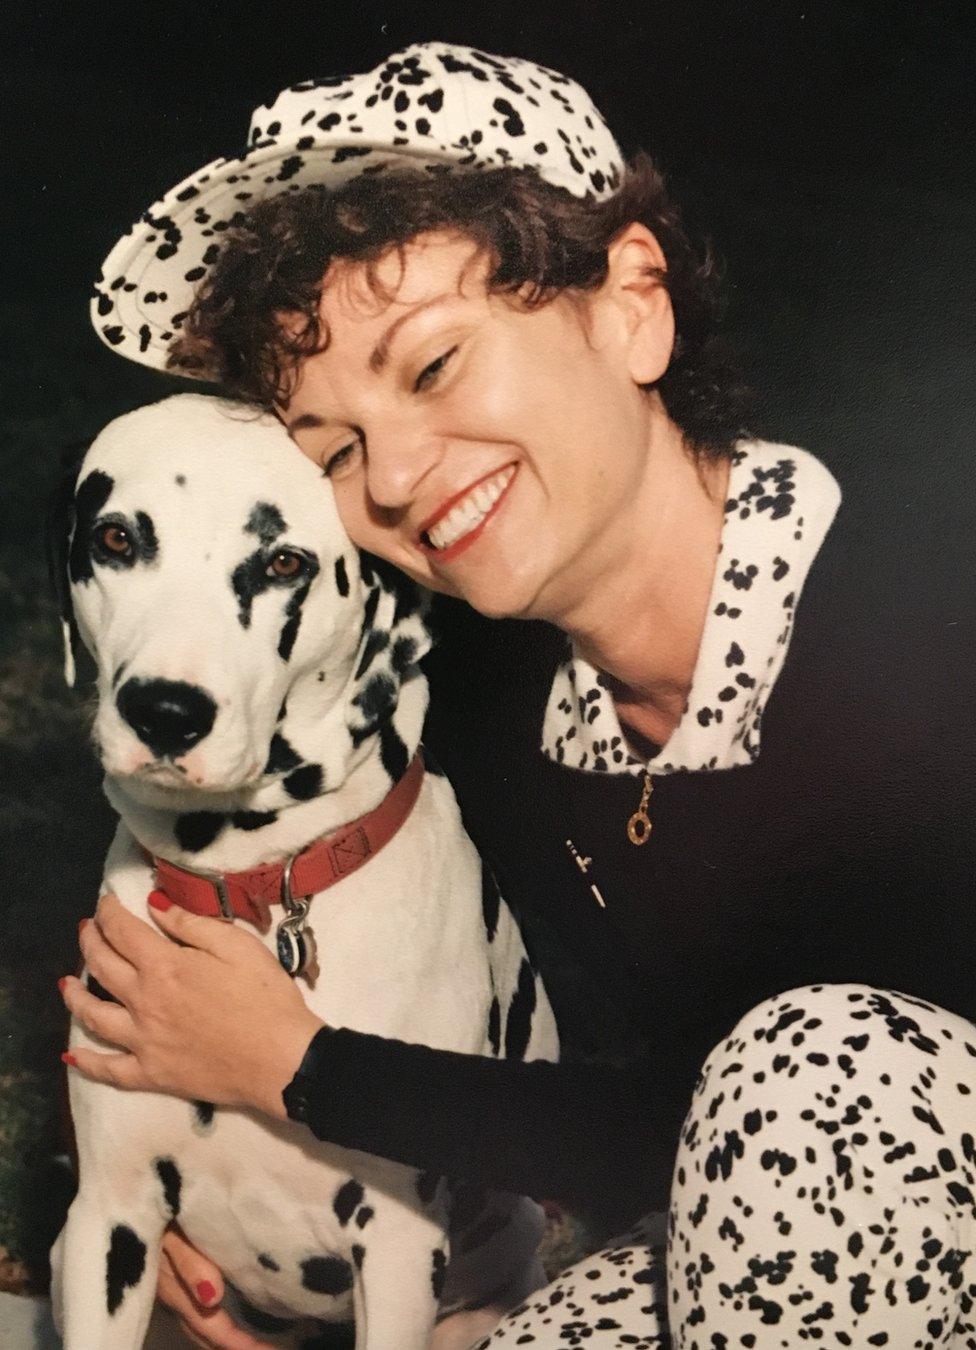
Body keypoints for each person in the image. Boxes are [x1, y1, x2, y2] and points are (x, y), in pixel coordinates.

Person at [61, 43, 976, 1348]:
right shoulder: (502, 719)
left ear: (633, 305)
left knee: (802, 1076)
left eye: (432, 367)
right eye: (332, 447)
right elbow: (635, 1117)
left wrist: (302, 1067)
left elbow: (780, 1118)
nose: (395, 475)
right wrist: (215, 1207)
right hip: (775, 1223)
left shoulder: (919, 604)